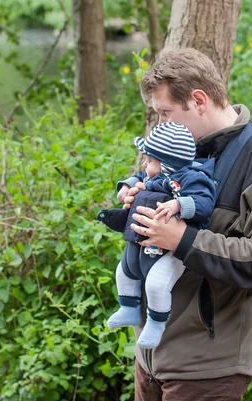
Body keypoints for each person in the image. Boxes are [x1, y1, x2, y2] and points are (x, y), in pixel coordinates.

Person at [120, 48, 252, 401]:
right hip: (152, 357)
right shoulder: (181, 152)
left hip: (208, 368)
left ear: (199, 100)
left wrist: (183, 238)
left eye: (165, 114)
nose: (160, 126)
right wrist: (139, 204)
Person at [101, 122, 216, 349]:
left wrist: (178, 204)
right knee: (124, 271)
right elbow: (140, 176)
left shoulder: (192, 179)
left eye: (150, 160)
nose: (145, 164)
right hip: (142, 240)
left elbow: (205, 202)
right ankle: (129, 307)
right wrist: (126, 187)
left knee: (157, 283)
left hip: (174, 248)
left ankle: (156, 322)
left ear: (166, 165)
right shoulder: (153, 175)